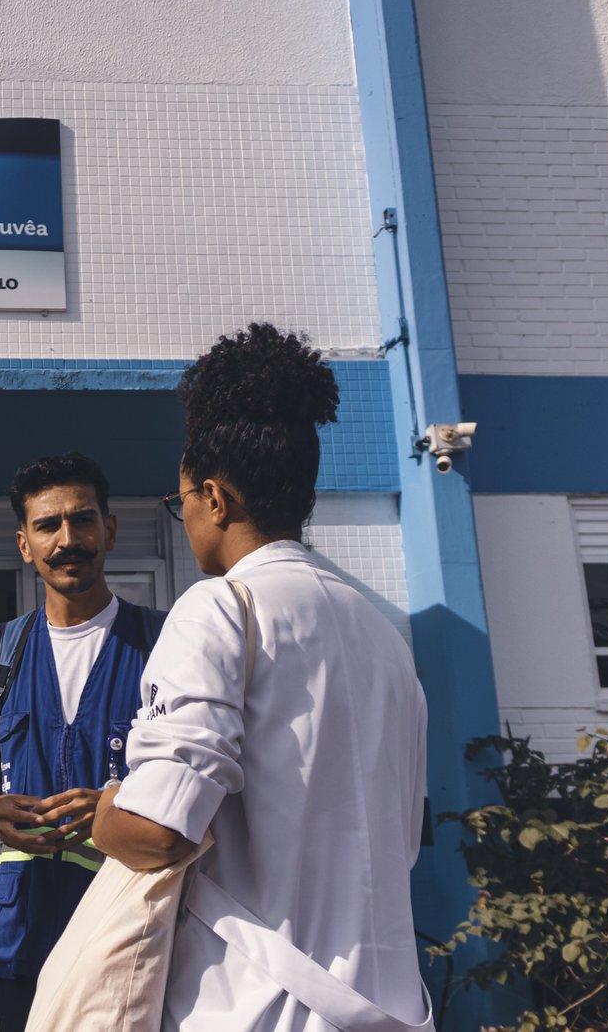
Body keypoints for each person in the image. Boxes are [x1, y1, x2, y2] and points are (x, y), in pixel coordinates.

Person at [91, 323, 433, 1030]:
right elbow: (404, 834)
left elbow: (159, 831)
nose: (184, 516)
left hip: (256, 1003)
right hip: (388, 1005)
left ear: (214, 498)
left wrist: (105, 811)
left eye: (180, 501)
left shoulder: (220, 607)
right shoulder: (383, 636)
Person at [0, 453, 168, 1032]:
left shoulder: (165, 644)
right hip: (22, 931)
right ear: (25, 545)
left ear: (110, 530)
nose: (68, 540)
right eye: (48, 525)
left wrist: (114, 806)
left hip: (130, 923)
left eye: (83, 520)